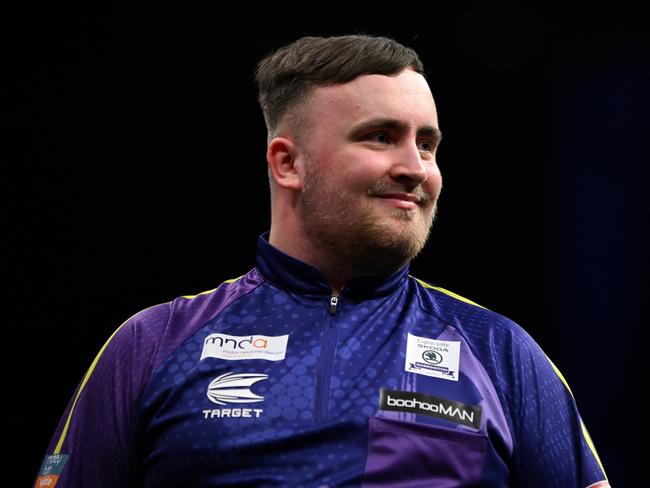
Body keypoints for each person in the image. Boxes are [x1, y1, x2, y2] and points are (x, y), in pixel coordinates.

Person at [35, 34, 610, 487]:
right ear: (288, 164)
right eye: (382, 137)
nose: (417, 168)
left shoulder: (499, 352)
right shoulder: (152, 344)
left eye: (427, 144)